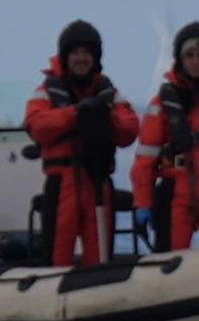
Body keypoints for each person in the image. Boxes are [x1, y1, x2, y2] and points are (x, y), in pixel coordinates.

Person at [25, 20, 139, 267]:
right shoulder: (45, 92)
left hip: (97, 181)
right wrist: (77, 114)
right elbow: (38, 126)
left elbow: (129, 130)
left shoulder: (108, 93)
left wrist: (101, 114)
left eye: (87, 52)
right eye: (75, 52)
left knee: (100, 260)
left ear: (96, 57)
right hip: (61, 183)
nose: (81, 58)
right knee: (57, 261)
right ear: (65, 56)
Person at [131, 21, 199, 252]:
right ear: (180, 59)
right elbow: (145, 159)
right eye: (189, 55)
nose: (195, 61)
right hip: (176, 192)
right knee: (170, 261)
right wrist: (142, 203)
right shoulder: (162, 104)